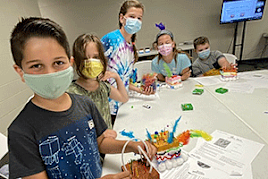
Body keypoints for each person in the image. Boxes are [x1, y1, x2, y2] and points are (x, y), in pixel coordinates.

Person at [8, 17, 156, 179]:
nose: (50, 74)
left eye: (58, 62)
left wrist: (131, 146)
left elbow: (100, 142)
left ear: (70, 63)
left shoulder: (84, 103)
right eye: (36, 66)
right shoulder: (21, 132)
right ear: (20, 71)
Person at [101, 0, 154, 123]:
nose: (136, 21)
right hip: (107, 107)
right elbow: (96, 74)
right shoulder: (111, 39)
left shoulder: (131, 46)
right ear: (121, 18)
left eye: (139, 18)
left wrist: (140, 90)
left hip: (122, 104)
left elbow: (123, 80)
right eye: (132, 16)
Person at [67, 34, 128, 130]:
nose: (91, 62)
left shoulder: (103, 87)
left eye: (95, 57)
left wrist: (117, 77)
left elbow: (123, 98)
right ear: (77, 61)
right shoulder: (71, 92)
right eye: (85, 58)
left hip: (109, 141)